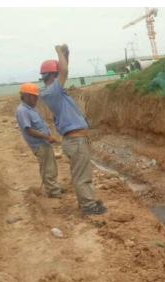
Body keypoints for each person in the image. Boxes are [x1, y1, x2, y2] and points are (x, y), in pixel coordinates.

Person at [38, 44, 107, 215]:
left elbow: (63, 70)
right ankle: (87, 206)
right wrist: (59, 52)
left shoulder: (53, 91)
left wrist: (66, 54)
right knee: (81, 176)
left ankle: (88, 201)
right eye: (58, 73)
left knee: (84, 173)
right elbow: (65, 72)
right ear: (53, 75)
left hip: (76, 140)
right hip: (75, 141)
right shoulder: (51, 91)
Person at [15, 82, 63, 199]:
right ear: (26, 96)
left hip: (44, 143)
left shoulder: (31, 108)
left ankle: (54, 187)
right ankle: (53, 192)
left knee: (51, 167)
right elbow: (28, 130)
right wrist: (47, 137)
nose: (37, 98)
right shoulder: (22, 110)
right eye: (34, 96)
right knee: (48, 169)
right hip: (39, 145)